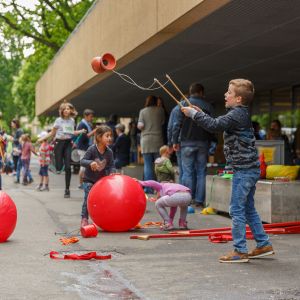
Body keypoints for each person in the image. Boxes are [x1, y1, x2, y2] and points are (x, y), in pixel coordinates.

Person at [181, 78, 274, 263]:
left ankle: (240, 250)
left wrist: (193, 114)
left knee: (236, 209)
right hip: (249, 170)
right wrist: (199, 113)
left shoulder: (237, 114)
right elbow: (216, 122)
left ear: (238, 99)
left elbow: (214, 125)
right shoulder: (238, 113)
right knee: (247, 209)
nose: (225, 94)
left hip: (244, 171)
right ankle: (263, 244)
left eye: (229, 92)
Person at [172, 83, 214, 208]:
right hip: (203, 142)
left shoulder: (183, 104)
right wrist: (212, 142)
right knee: (201, 171)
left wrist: (175, 141)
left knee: (187, 172)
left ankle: (187, 200)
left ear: (190, 92)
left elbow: (176, 125)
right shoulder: (208, 106)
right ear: (201, 92)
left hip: (186, 142)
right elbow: (212, 125)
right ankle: (199, 200)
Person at [37, 102, 86, 198]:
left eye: (68, 109)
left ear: (70, 110)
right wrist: (42, 139)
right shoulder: (58, 121)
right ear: (62, 111)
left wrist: (81, 131)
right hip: (59, 144)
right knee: (59, 167)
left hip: (68, 144)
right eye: (65, 109)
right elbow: (52, 133)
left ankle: (67, 190)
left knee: (68, 167)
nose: (67, 110)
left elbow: (71, 132)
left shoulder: (72, 120)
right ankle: (54, 163)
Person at [80, 125, 116, 228]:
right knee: (88, 197)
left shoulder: (109, 152)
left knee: (103, 201)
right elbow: (82, 161)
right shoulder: (92, 149)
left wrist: (112, 172)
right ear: (99, 137)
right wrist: (90, 162)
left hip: (101, 182)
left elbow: (111, 165)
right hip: (89, 180)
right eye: (107, 136)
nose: (110, 138)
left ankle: (101, 218)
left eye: (111, 136)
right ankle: (84, 218)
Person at [138, 95, 165, 192]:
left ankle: (149, 189)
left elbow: (140, 125)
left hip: (146, 141)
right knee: (159, 164)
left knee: (148, 165)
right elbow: (162, 122)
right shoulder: (160, 110)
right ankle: (159, 188)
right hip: (158, 140)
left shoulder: (143, 111)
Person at [76, 109, 97, 189]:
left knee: (85, 166)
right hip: (83, 148)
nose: (92, 118)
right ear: (86, 116)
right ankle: (81, 183)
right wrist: (95, 131)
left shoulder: (86, 124)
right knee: (83, 166)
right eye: (91, 117)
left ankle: (82, 183)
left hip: (85, 147)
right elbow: (86, 136)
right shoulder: (82, 125)